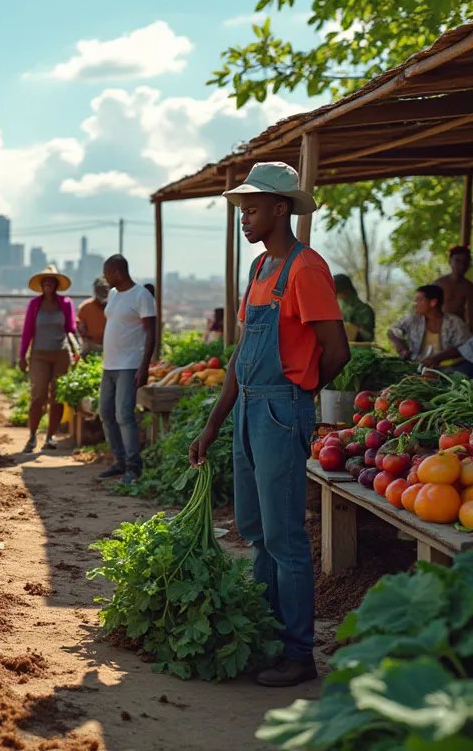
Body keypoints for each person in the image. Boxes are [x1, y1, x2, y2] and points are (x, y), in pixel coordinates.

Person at [189, 161, 350, 688]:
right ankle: (267, 635)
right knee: (257, 532)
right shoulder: (261, 271)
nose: (244, 218)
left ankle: (300, 654)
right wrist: (215, 422)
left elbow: (336, 350)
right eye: (242, 209)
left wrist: (298, 394)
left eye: (252, 208)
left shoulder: (306, 270)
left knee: (285, 538)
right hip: (248, 408)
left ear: (281, 209)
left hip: (281, 409)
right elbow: (240, 354)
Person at [97, 255, 156, 485]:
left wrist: (144, 365)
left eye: (107, 273)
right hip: (109, 365)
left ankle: (133, 467)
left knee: (124, 414)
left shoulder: (142, 295)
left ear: (118, 272)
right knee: (105, 413)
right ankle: (119, 461)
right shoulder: (113, 294)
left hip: (129, 365)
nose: (105, 278)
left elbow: (151, 332)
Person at [17, 266, 77, 452]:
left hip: (61, 353)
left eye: (51, 281)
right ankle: (32, 436)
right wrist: (22, 356)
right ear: (41, 285)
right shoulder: (34, 305)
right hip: (39, 355)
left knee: (57, 397)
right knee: (38, 395)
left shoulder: (65, 304)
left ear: (57, 284)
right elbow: (27, 332)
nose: (48, 284)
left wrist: (76, 350)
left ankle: (50, 436)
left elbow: (70, 329)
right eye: (45, 281)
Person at [387, 284, 471, 371]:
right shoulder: (413, 319)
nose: (416, 304)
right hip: (418, 369)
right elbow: (392, 331)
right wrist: (402, 348)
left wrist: (438, 358)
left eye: (420, 300)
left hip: (449, 370)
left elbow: (465, 347)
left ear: (433, 302)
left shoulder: (454, 322)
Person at [436, 245, 473, 326]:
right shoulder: (438, 284)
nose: (461, 265)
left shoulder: (469, 288)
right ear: (450, 261)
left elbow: (471, 318)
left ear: (469, 265)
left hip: (459, 329)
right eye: (457, 261)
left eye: (465, 262)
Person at [331, 274, 375, 343]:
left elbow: (367, 337)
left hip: (359, 350)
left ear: (346, 291)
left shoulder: (364, 310)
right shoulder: (336, 309)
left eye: (338, 293)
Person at [76, 277, 109, 355]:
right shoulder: (85, 307)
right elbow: (80, 328)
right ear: (95, 290)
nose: (104, 291)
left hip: (112, 345)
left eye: (106, 288)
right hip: (91, 345)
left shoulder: (114, 306)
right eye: (100, 288)